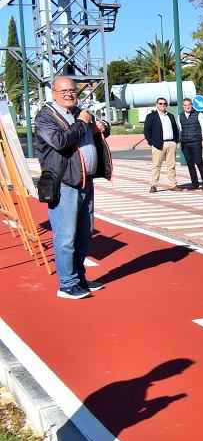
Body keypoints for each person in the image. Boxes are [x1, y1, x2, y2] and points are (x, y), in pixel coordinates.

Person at [34, 76, 112, 299]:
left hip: (85, 181)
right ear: (54, 93)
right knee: (66, 235)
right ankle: (67, 284)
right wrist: (82, 123)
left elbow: (103, 130)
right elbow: (60, 142)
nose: (69, 94)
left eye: (72, 90)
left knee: (84, 234)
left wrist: (100, 127)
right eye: (64, 91)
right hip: (64, 182)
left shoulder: (80, 112)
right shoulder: (45, 117)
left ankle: (79, 277)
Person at [143, 97, 179, 193]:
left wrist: (175, 141)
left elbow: (175, 129)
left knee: (171, 165)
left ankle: (173, 184)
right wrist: (151, 142)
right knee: (156, 165)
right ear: (156, 104)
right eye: (160, 103)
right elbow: (147, 131)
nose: (162, 105)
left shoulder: (170, 116)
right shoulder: (151, 116)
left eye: (164, 104)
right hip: (158, 144)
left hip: (171, 143)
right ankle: (153, 185)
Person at [178, 97, 203, 191]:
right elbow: (180, 129)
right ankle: (194, 183)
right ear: (183, 106)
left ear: (192, 105)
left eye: (189, 105)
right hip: (185, 143)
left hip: (196, 142)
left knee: (199, 162)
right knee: (190, 164)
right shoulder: (179, 116)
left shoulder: (199, 115)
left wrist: (202, 138)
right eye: (185, 105)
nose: (187, 107)